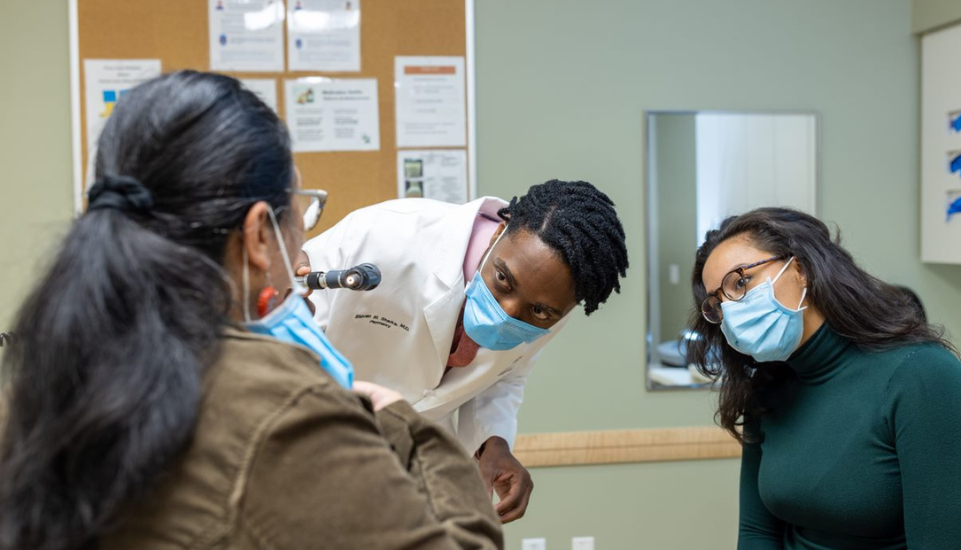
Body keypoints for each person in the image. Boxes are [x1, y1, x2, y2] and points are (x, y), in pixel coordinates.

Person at [0, 71, 502, 550]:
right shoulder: (285, 407)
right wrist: (402, 423)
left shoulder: (42, 376)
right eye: (300, 210)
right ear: (261, 235)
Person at [300, 180, 629, 522]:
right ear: (498, 233)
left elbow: (506, 375)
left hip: (414, 469)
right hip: (313, 442)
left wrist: (493, 443)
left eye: (540, 312)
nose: (508, 312)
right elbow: (286, 321)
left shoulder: (548, 305)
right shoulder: (385, 237)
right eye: (504, 280)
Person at [687, 207, 961, 550]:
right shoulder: (767, 391)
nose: (731, 311)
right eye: (718, 304)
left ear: (800, 269)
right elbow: (757, 534)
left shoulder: (923, 378)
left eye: (740, 282)